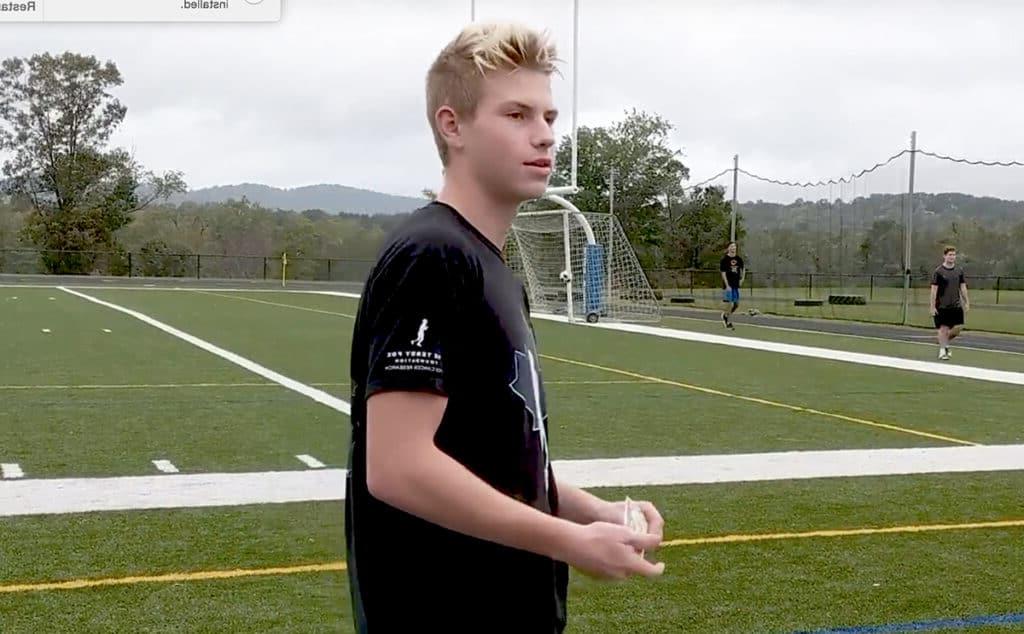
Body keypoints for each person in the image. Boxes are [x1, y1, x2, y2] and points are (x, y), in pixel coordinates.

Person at [344, 23, 665, 633]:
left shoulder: (490, 266)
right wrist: (567, 541)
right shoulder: (433, 255)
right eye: (516, 114)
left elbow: (496, 460)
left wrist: (591, 511)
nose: (544, 135)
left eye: (548, 116)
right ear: (452, 125)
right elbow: (398, 466)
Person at [930, 245, 969, 361]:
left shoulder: (959, 271)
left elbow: (962, 287)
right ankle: (943, 350)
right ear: (944, 256)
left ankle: (944, 342)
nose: (952, 257)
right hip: (942, 305)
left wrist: (967, 301)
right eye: (950, 255)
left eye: (953, 255)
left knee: (958, 328)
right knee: (943, 328)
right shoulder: (938, 272)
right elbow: (933, 290)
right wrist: (932, 306)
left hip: (955, 305)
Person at [719, 242, 744, 329]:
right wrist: (727, 285)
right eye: (732, 246)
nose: (733, 248)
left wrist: (742, 279)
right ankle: (728, 321)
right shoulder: (724, 260)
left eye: (735, 247)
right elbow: (723, 273)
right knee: (729, 304)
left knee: (736, 304)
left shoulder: (739, 259)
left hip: (735, 284)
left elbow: (743, 269)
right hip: (728, 285)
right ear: (728, 248)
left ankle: (726, 315)